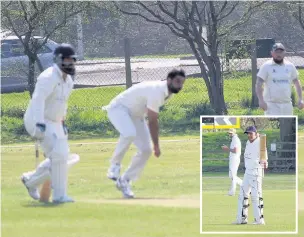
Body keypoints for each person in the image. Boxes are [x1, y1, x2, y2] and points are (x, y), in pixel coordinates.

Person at [104, 69, 186, 198]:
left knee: (146, 150)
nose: (179, 85)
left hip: (135, 116)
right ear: (169, 80)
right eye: (177, 81)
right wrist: (157, 146)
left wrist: (153, 147)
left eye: (181, 83)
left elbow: (149, 117)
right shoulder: (158, 91)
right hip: (119, 109)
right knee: (129, 133)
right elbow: (152, 121)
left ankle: (124, 180)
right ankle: (114, 165)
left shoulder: (168, 93)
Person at [21, 43, 77, 203]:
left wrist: (63, 122)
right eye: (66, 60)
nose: (70, 63)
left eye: (72, 60)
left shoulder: (68, 81)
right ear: (58, 60)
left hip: (55, 121)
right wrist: (39, 124)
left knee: (63, 156)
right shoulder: (48, 77)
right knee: (59, 154)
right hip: (37, 119)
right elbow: (38, 100)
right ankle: (57, 195)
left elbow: (62, 104)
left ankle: (31, 180)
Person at [256, 42, 304, 115]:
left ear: (284, 53)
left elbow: (296, 82)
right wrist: (261, 101)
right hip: (271, 105)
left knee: (288, 125)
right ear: (272, 53)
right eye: (276, 52)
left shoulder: (290, 66)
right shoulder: (266, 66)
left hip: (287, 105)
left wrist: (300, 99)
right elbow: (259, 84)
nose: (279, 54)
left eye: (281, 52)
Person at [233, 126, 268, 225]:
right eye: (247, 133)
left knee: (256, 196)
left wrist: (264, 161)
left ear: (256, 133)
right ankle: (242, 218)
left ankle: (259, 220)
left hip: (256, 172)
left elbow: (264, 157)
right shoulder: (248, 142)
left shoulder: (260, 142)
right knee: (242, 195)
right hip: (247, 173)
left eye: (251, 133)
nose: (249, 135)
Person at [221, 128, 242, 196]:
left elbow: (235, 150)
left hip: (235, 159)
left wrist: (227, 149)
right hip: (233, 159)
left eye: (231, 133)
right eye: (229, 133)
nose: (229, 134)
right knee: (231, 176)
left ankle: (232, 192)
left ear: (234, 133)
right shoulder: (233, 139)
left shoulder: (236, 139)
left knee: (233, 176)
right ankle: (245, 185)